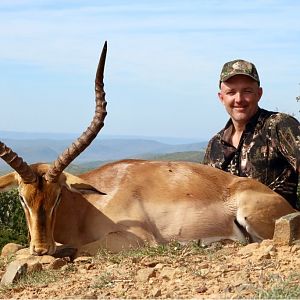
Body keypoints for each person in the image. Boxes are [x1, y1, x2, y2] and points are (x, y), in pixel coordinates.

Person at [203, 59, 300, 210]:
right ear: (221, 97)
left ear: (259, 94)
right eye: (231, 92)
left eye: (247, 91)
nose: (239, 99)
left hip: (277, 230)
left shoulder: (279, 126)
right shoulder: (214, 145)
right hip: (227, 231)